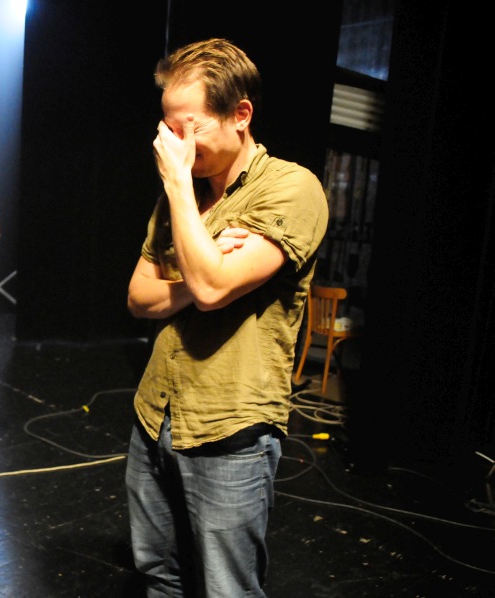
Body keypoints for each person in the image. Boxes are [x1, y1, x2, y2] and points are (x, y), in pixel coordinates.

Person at [124, 38, 329, 597]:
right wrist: (200, 270)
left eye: (188, 127)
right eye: (168, 127)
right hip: (155, 413)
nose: (174, 145)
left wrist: (178, 195)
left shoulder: (290, 187)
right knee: (158, 575)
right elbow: (139, 298)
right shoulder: (181, 199)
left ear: (240, 115)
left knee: (226, 589)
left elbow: (214, 289)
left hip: (229, 428)